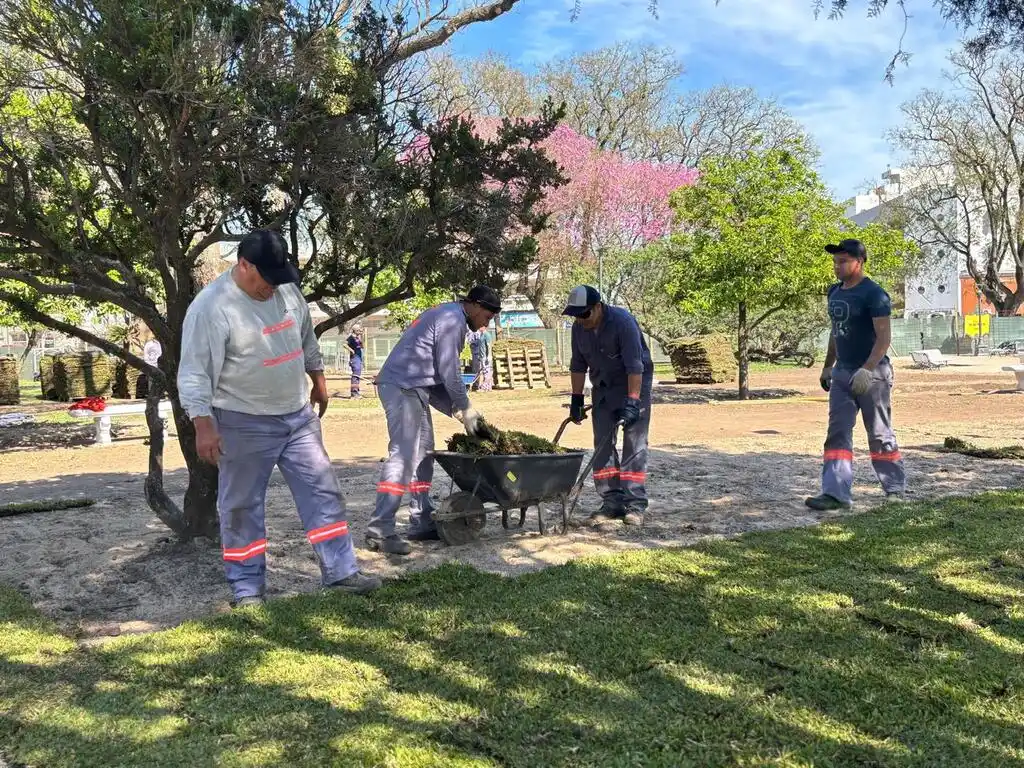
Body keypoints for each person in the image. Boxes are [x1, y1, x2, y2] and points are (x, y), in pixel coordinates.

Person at [177, 228, 381, 607]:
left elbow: (305, 335)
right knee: (241, 506)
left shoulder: (284, 288)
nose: (272, 287)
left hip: (297, 416)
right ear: (243, 265)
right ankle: (247, 590)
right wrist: (202, 423)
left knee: (322, 490)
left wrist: (318, 379)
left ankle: (340, 572)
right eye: (266, 280)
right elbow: (193, 372)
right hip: (242, 420)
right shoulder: (211, 308)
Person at [367, 286, 500, 554]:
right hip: (402, 387)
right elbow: (450, 374)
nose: (488, 321)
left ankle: (420, 519)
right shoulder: (453, 321)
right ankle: (380, 530)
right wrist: (466, 407)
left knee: (424, 452)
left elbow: (434, 379)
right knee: (403, 456)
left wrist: (458, 412)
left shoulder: (449, 315)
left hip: (414, 388)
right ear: (473, 305)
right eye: (488, 315)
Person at [806, 238, 906, 511]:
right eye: (835, 261)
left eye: (842, 261)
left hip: (872, 374)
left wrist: (868, 369)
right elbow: (835, 332)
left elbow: (884, 338)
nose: (836, 266)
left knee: (879, 432)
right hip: (842, 374)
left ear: (859, 262)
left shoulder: (875, 295)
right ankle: (836, 493)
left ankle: (894, 488)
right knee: (837, 433)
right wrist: (828, 365)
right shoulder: (834, 292)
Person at [563, 285, 653, 526]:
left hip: (633, 385)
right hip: (603, 387)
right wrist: (576, 399)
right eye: (576, 316)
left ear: (598, 307)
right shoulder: (579, 329)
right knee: (602, 444)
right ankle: (611, 502)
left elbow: (635, 367)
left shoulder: (623, 323)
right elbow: (578, 365)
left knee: (634, 443)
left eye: (584, 315)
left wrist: (633, 402)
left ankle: (635, 505)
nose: (580, 320)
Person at [468, 327, 493, 392]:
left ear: (484, 327)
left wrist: (489, 355)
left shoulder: (487, 335)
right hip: (481, 356)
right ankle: (486, 387)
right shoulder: (482, 334)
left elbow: (489, 346)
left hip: (485, 356)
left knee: (486, 372)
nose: (479, 328)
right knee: (483, 372)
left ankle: (485, 387)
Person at [347, 324, 364, 399]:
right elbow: (344, 344)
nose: (360, 331)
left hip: (359, 358)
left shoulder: (357, 338)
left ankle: (356, 391)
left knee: (358, 375)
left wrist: (361, 337)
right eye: (359, 330)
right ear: (355, 330)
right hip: (354, 358)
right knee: (355, 375)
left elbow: (362, 346)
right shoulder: (351, 338)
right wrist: (352, 350)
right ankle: (354, 393)